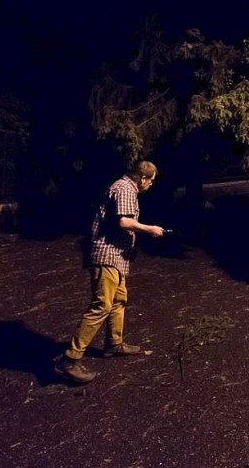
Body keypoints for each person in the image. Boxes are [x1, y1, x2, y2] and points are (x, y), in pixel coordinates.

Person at [54, 160, 165, 384]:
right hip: (108, 255)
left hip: (118, 257)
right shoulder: (125, 188)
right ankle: (69, 360)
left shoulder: (124, 187)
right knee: (101, 305)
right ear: (143, 178)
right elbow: (124, 222)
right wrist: (149, 228)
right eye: (151, 181)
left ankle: (114, 344)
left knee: (118, 300)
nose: (151, 185)